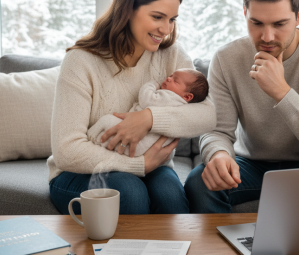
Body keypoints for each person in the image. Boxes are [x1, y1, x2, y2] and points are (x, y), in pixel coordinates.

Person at [184, 0, 299, 213]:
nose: (267, 37)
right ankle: (224, 246)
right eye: (256, 23)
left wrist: (282, 93)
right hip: (250, 165)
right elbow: (217, 131)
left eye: (279, 24)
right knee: (198, 182)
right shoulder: (226, 58)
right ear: (244, 12)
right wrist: (219, 154)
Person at [47, 0, 216, 215]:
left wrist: (148, 119)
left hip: (154, 167)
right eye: (157, 17)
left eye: (172, 19)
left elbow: (208, 116)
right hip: (80, 172)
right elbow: (66, 151)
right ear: (128, 11)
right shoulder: (80, 61)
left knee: (169, 195)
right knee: (129, 190)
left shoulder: (172, 54)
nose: (166, 29)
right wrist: (139, 165)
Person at [87, 68, 209, 161]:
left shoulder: (169, 97)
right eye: (170, 76)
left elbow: (146, 99)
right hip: (151, 149)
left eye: (175, 80)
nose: (168, 78)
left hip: (141, 144)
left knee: (107, 120)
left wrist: (152, 84)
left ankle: (92, 138)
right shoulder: (182, 106)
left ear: (187, 96)